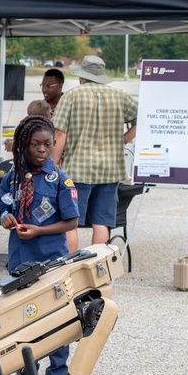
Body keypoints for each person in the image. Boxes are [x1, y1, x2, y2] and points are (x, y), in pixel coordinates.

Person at [0, 115, 79, 375]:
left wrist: (40, 230)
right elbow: (3, 207)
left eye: (47, 144)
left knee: (57, 318)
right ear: (24, 145)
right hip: (20, 260)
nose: (42, 150)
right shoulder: (12, 177)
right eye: (35, 144)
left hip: (51, 261)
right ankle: (24, 370)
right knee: (23, 317)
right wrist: (5, 218)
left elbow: (71, 222)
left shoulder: (61, 181)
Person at [52, 55, 137, 251]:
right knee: (101, 222)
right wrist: (124, 139)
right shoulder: (120, 95)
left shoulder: (71, 96)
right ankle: (96, 268)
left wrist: (53, 165)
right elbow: (142, 118)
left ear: (82, 76)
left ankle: (70, 266)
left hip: (77, 169)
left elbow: (60, 133)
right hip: (110, 169)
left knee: (70, 221)